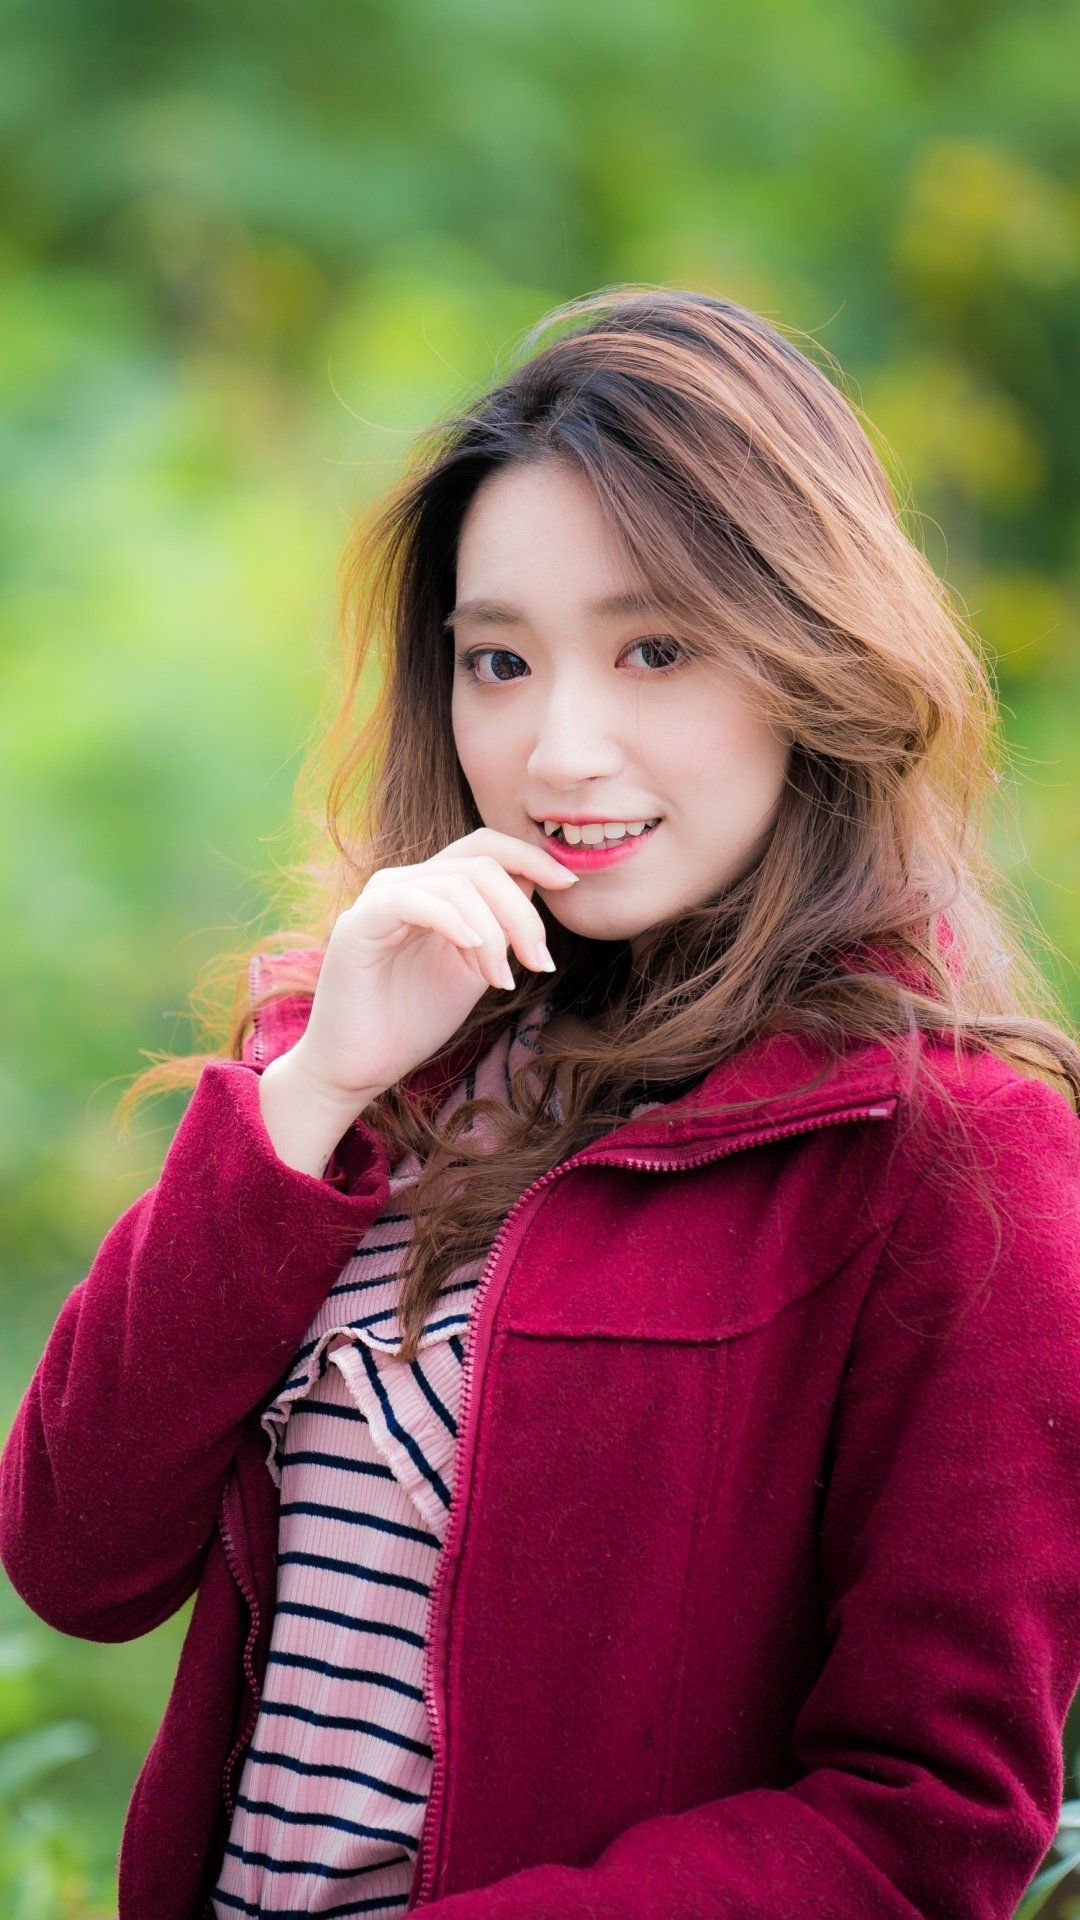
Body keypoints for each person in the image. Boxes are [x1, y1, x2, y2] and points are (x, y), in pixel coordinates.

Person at [2, 286, 1080, 1920]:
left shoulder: (955, 1157)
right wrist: (315, 1088)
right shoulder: (375, 1056)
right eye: (498, 661)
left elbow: (923, 1822)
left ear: (810, 654)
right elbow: (77, 1558)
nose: (560, 747)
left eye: (654, 649)